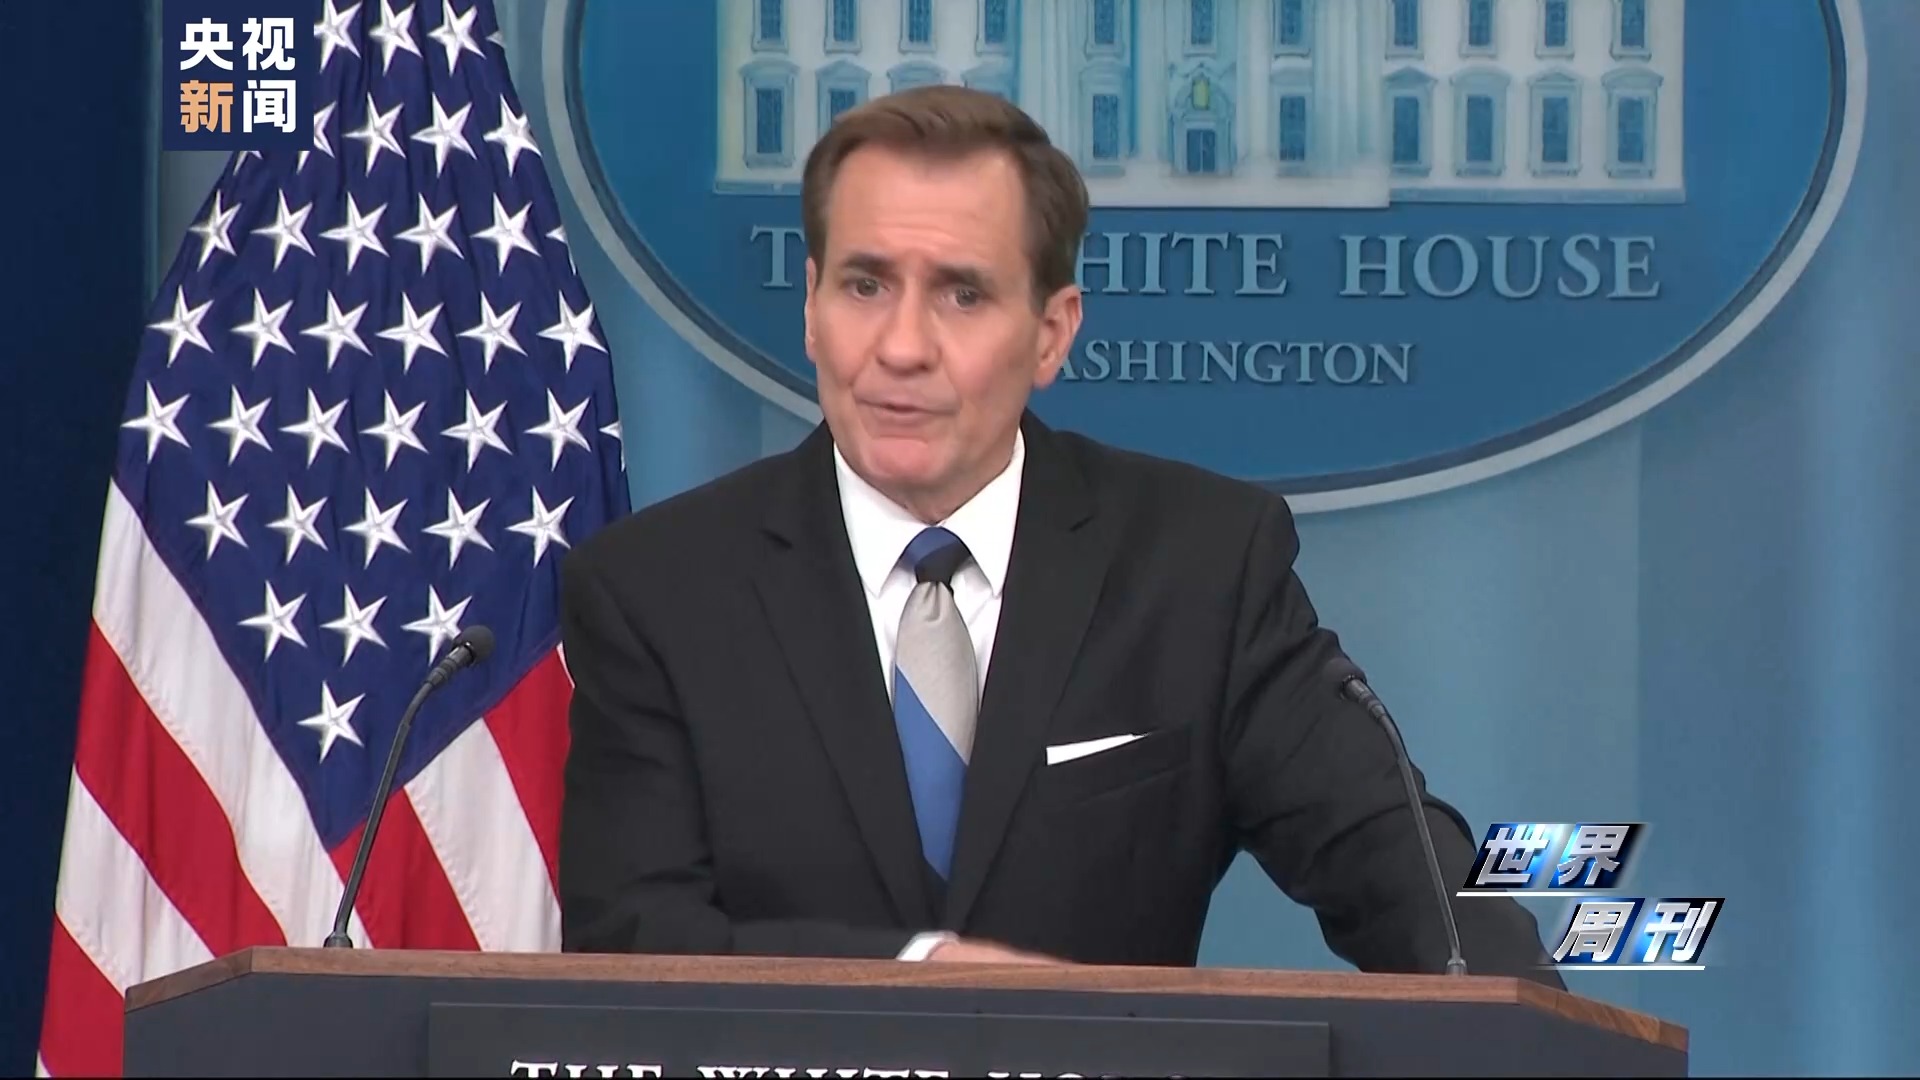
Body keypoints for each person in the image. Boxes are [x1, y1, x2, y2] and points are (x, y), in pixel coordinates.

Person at [556, 84, 1562, 983]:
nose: (901, 347)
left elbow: (1393, 865)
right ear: (812, 306)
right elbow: (631, 939)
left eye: (962, 294)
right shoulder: (658, 591)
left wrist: (1526, 1027)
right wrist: (918, 971)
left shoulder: (1199, 566)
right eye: (865, 285)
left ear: (1051, 333)